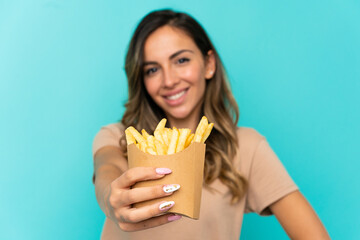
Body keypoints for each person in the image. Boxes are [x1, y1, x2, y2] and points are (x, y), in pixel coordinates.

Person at [92, 9, 330, 239]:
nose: (169, 80)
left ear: (209, 64)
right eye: (152, 69)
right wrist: (110, 198)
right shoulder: (119, 137)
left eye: (181, 60)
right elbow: (107, 169)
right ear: (141, 80)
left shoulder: (245, 148)